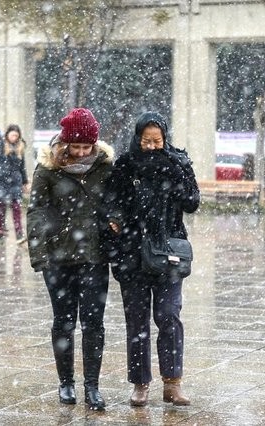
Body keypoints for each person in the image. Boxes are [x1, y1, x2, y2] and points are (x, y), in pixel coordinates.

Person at [105, 111, 199, 407]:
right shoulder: (125, 165)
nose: (151, 145)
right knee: (137, 322)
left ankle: (173, 383)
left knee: (169, 315)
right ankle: (140, 384)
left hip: (168, 252)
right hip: (132, 254)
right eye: (146, 140)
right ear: (137, 138)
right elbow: (111, 203)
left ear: (164, 138)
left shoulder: (177, 162)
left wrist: (178, 173)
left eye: (157, 140)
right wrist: (115, 221)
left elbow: (192, 202)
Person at [27, 108, 115, 411]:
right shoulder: (48, 168)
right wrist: (40, 256)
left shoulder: (105, 168)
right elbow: (36, 211)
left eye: (86, 147)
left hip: (94, 256)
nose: (80, 153)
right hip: (58, 257)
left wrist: (115, 223)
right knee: (63, 322)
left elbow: (116, 204)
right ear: (64, 144)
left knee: (94, 323)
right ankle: (66, 383)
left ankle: (93, 386)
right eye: (75, 147)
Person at [0, 124, 29, 243]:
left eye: (16, 135)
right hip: (0, 181)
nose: (14, 137)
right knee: (0, 208)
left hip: (15, 181)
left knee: (16, 208)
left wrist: (25, 182)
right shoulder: (0, 145)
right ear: (7, 134)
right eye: (12, 135)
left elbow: (22, 166)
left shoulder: (20, 147)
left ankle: (19, 234)